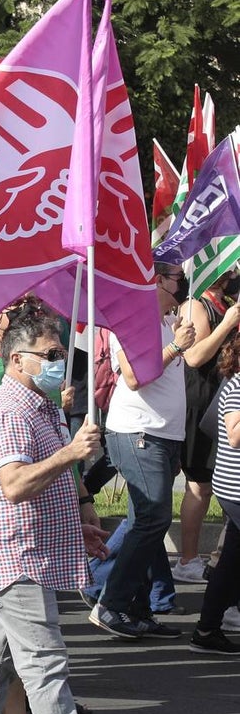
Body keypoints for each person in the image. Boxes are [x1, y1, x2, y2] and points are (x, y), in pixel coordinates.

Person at [0, 310, 107, 714]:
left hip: (27, 553)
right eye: (52, 353)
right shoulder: (12, 411)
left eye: (61, 351)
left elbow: (37, 490)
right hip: (16, 557)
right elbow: (14, 484)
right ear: (18, 360)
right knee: (45, 666)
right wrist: (72, 452)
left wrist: (76, 526)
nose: (61, 359)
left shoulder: (38, 406)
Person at [90, 264, 194, 639]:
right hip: (137, 432)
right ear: (157, 280)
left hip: (161, 436)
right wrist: (176, 346)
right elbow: (134, 378)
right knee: (153, 518)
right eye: (176, 277)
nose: (181, 283)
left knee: (145, 521)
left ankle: (137, 607)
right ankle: (111, 603)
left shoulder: (167, 321)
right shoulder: (134, 320)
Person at [173, 273, 240, 582]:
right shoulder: (196, 305)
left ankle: (221, 556)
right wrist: (227, 323)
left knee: (227, 481)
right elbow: (195, 357)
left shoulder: (226, 302)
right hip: (201, 402)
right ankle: (187, 559)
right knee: (200, 484)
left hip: (224, 400)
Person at [190, 331, 240, 654]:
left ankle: (207, 628)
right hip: (236, 487)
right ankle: (208, 626)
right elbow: (235, 436)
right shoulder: (237, 386)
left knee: (233, 559)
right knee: (233, 559)